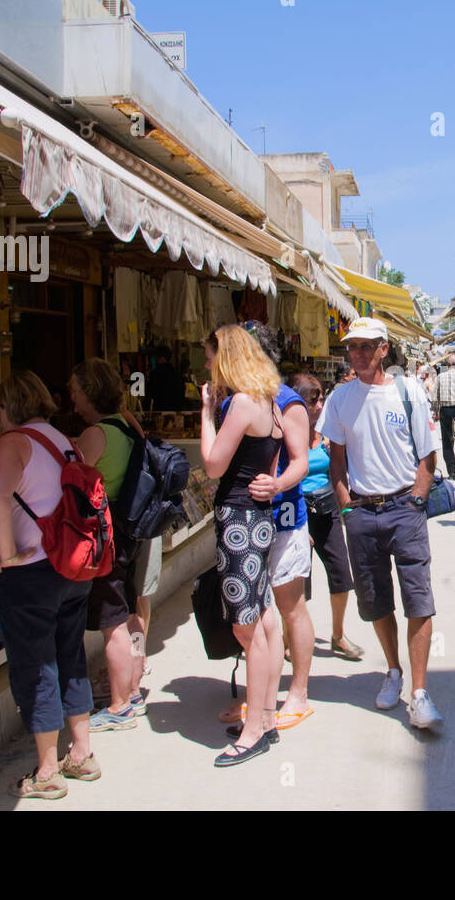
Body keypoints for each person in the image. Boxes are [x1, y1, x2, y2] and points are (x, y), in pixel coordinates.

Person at [318, 316, 444, 730]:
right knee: (375, 600)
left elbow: (428, 457)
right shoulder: (339, 399)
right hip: (362, 513)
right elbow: (336, 462)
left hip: (403, 509)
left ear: (384, 349)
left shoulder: (409, 392)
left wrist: (417, 501)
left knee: (418, 598)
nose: (358, 353)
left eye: (367, 346)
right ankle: (393, 671)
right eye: (352, 347)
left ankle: (420, 693)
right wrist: (347, 507)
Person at [0, 371, 98, 799]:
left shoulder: (12, 444)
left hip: (31, 573)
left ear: (10, 407)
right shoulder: (63, 441)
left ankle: (48, 768)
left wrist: (8, 555)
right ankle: (82, 753)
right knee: (70, 656)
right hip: (71, 569)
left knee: (36, 665)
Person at [205, 326, 316, 732]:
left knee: (289, 608)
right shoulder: (255, 399)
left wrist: (279, 484)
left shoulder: (287, 402)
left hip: (282, 521)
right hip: (258, 518)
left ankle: (297, 694)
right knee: (259, 614)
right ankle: (261, 702)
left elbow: (301, 459)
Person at [201, 325, 285, 767]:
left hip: (237, 521)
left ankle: (252, 730)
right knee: (264, 619)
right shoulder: (268, 403)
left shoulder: (240, 405)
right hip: (259, 522)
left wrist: (205, 413)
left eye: (211, 356)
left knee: (245, 628)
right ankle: (267, 719)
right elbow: (268, 469)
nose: (208, 366)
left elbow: (214, 465)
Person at [67, 359, 147, 732]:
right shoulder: (127, 423)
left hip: (105, 540)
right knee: (127, 614)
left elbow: (68, 479)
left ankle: (119, 707)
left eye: (76, 390)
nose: (72, 398)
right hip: (129, 535)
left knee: (111, 623)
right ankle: (131, 691)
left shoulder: (96, 434)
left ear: (91, 391)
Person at [289, 371, 365, 660]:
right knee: (297, 585)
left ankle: (337, 635)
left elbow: (342, 466)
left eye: (320, 398)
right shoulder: (286, 436)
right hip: (298, 511)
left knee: (341, 574)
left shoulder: (328, 432)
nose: (319, 405)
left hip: (327, 509)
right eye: (312, 400)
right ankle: (290, 639)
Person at [434, 354, 455, 480]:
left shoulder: (440, 377)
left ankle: (452, 472)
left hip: (445, 410)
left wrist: (435, 411)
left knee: (447, 442)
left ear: (447, 365)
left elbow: (435, 396)